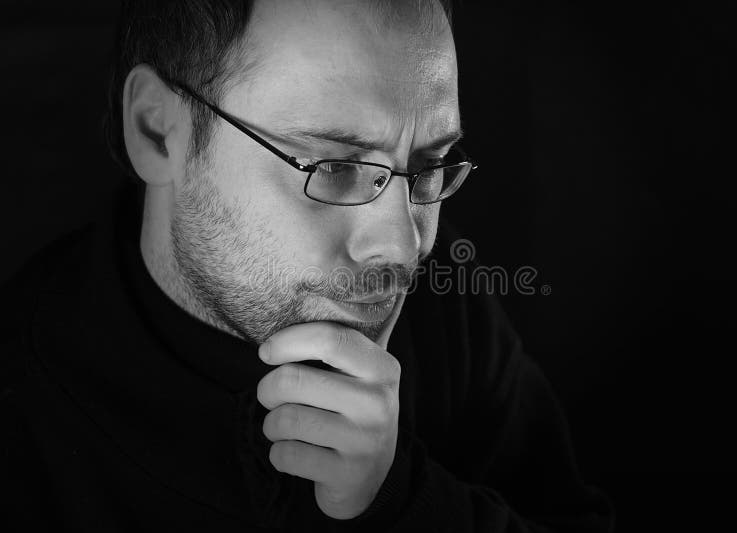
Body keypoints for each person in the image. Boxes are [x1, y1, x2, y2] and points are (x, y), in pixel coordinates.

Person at [1, 0, 614, 531]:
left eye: (428, 166)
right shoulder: (26, 423)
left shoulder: (447, 314)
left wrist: (404, 506)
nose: (403, 248)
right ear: (158, 131)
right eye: (336, 167)